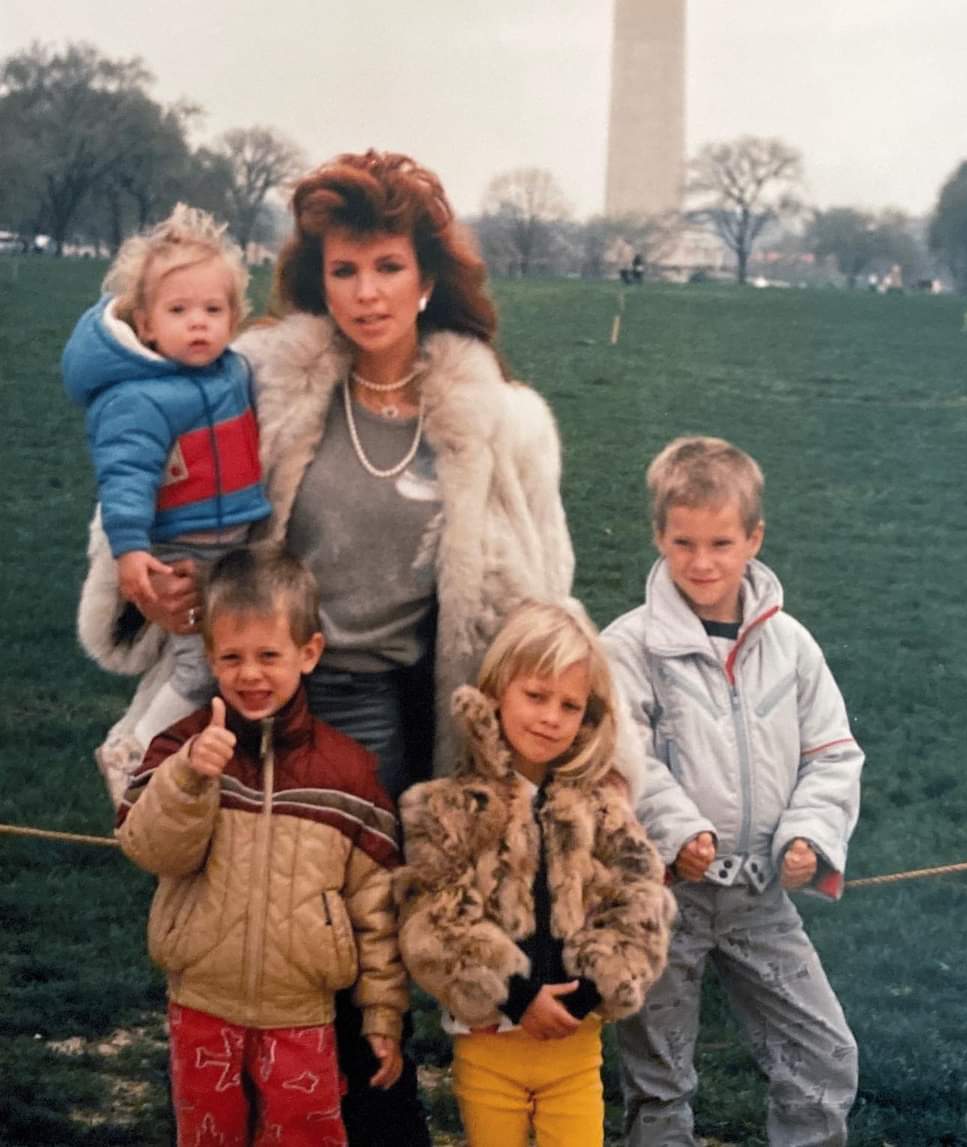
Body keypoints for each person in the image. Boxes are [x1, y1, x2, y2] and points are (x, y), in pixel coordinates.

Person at [77, 150, 575, 1146]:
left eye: (387, 266)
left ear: (428, 276)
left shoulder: (501, 422)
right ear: (319, 278)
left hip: (411, 723)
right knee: (280, 980)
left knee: (375, 978)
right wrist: (162, 583)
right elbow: (143, 491)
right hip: (269, 706)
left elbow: (542, 598)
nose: (366, 292)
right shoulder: (253, 381)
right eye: (344, 270)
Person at [603, 436, 863, 1147]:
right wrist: (676, 833)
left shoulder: (794, 648)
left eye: (722, 542)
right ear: (659, 535)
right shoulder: (628, 648)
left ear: (754, 537)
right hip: (661, 900)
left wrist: (808, 834)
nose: (702, 561)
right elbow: (621, 759)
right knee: (659, 1081)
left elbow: (832, 753)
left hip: (761, 898)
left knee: (825, 1055)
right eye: (683, 542)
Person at [116, 548, 406, 1147]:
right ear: (210, 658)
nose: (251, 674)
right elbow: (151, 850)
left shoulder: (348, 772)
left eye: (268, 656)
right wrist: (190, 778)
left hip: (302, 1015)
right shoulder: (180, 746)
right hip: (201, 1006)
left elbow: (375, 908)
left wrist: (381, 1013)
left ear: (309, 653)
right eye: (232, 657)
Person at [393, 600, 675, 1147]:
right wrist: (518, 996)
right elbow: (434, 920)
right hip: (488, 1043)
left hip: (574, 1047)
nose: (550, 717)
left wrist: (588, 994)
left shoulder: (602, 809)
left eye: (569, 706)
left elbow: (642, 906)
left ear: (587, 718)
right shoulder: (451, 808)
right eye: (536, 696)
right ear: (498, 690)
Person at [63, 204, 270, 801]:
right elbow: (124, 480)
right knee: (200, 668)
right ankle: (137, 753)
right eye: (179, 311)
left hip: (225, 545)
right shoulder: (139, 399)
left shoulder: (228, 372)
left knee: (188, 662)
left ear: (235, 316)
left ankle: (130, 736)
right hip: (180, 550)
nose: (199, 324)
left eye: (213, 310)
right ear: (147, 324)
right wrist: (131, 556)